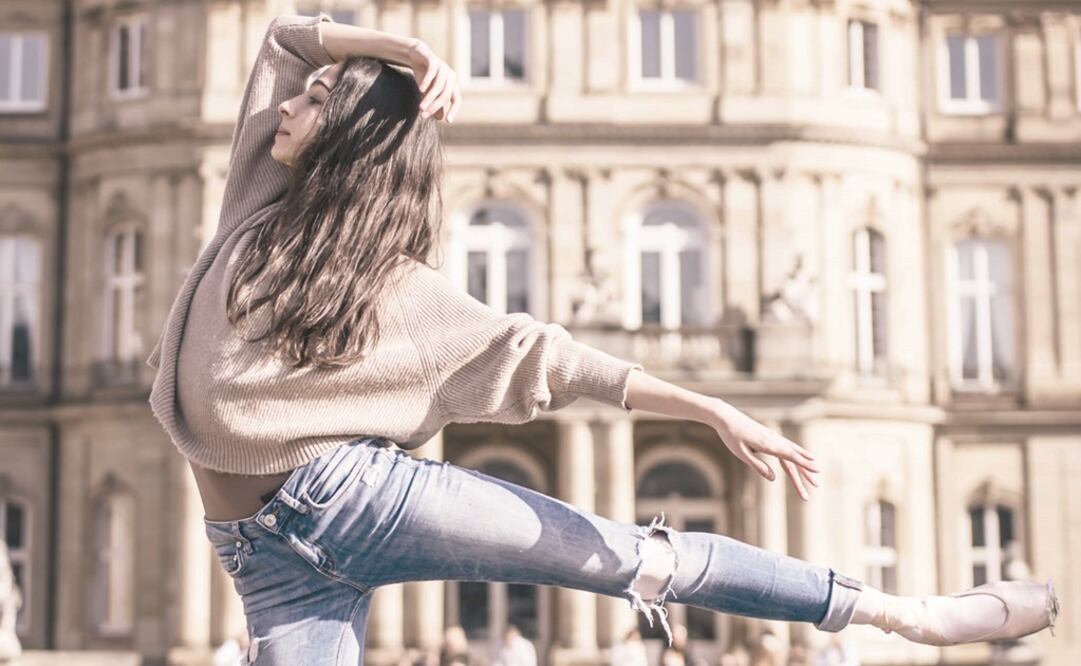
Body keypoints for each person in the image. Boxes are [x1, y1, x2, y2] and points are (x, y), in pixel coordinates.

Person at [144, 11, 1061, 665]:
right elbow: (285, 35)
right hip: (265, 560)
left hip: (352, 499)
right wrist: (402, 46)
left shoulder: (398, 289)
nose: (284, 114)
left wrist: (706, 406)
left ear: (344, 132)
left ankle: (909, 616)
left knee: (633, 557)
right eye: (296, 101)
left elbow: (551, 357)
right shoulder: (254, 202)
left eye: (310, 103)